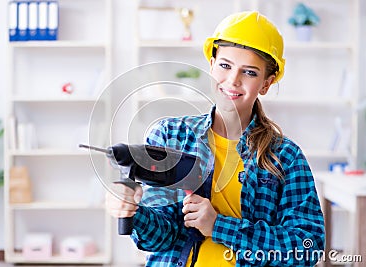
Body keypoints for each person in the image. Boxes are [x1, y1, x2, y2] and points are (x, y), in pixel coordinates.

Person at [106, 11, 325, 266]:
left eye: (250, 73)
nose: (233, 80)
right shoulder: (171, 136)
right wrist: (134, 213)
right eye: (225, 65)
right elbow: (160, 237)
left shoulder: (284, 156)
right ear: (211, 65)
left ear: (266, 83)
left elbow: (308, 247)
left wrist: (220, 226)